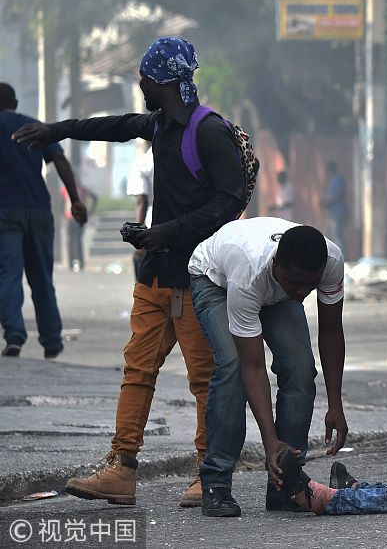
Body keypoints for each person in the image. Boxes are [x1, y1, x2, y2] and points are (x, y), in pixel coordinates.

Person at [13, 37, 246, 508]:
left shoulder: (209, 131)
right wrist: (58, 130)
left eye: (143, 79)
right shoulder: (161, 125)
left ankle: (208, 475)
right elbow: (115, 126)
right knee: (137, 372)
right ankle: (121, 469)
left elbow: (232, 199)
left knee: (205, 380)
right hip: (156, 276)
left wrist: (170, 232)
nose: (139, 86)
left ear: (160, 82)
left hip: (198, 279)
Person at [187, 217, 347, 517]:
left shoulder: (330, 260)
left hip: (269, 289)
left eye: (309, 284)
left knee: (300, 368)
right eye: (295, 282)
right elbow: (253, 366)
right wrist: (270, 440)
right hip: (215, 281)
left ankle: (285, 483)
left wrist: (335, 405)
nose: (301, 293)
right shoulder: (249, 273)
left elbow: (331, 332)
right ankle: (216, 482)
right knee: (232, 367)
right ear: (276, 265)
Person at [1, 82, 87, 359]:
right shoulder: (31, 125)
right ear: (15, 102)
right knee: (41, 278)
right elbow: (59, 158)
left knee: (9, 275)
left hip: (5, 211)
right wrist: (75, 199)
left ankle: (14, 336)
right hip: (39, 209)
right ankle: (51, 339)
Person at [125, 145, 154, 280]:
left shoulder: (143, 163)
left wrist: (138, 237)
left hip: (152, 226)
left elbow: (141, 201)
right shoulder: (184, 155)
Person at [61, 181, 97, 272]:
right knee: (72, 241)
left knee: (76, 241)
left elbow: (94, 198)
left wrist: (90, 212)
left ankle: (78, 263)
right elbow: (60, 200)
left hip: (77, 217)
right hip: (70, 217)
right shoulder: (67, 189)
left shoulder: (81, 189)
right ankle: (73, 262)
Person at [323, 162, 347, 255]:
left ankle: (343, 256)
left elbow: (338, 194)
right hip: (334, 211)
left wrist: (329, 203)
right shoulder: (333, 180)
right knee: (335, 235)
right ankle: (342, 255)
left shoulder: (338, 179)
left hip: (339, 211)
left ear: (332, 169)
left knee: (337, 235)